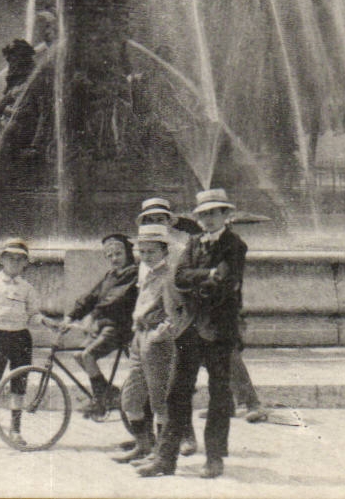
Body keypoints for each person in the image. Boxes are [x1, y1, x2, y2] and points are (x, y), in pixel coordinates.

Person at [136, 188, 246, 480]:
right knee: (176, 393)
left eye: (213, 213)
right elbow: (178, 277)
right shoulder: (193, 243)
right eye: (203, 215)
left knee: (219, 396)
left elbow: (224, 282)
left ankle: (214, 458)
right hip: (189, 330)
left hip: (219, 331)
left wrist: (201, 280)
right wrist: (206, 275)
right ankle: (165, 458)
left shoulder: (235, 245)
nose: (208, 219)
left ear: (225, 215)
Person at [114, 223, 182, 464]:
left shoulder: (170, 277)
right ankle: (143, 446)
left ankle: (160, 455)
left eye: (151, 251)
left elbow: (178, 314)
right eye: (142, 251)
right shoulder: (147, 273)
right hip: (139, 338)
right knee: (131, 397)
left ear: (165, 251)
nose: (145, 256)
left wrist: (160, 334)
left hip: (157, 342)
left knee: (159, 400)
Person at [0, 237, 46, 451]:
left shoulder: (27, 288)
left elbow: (32, 315)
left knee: (19, 384)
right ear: (2, 260)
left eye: (19, 259)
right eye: (10, 258)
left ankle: (15, 430)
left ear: (25, 263)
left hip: (21, 338)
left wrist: (43, 320)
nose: (14, 263)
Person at [66, 233, 139, 419]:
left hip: (119, 327)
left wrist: (93, 316)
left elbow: (115, 299)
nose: (114, 259)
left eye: (118, 254)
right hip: (104, 326)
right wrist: (71, 316)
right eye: (110, 255)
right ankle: (109, 392)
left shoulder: (132, 273)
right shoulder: (110, 275)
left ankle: (101, 398)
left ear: (128, 253)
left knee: (88, 354)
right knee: (78, 354)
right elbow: (91, 296)